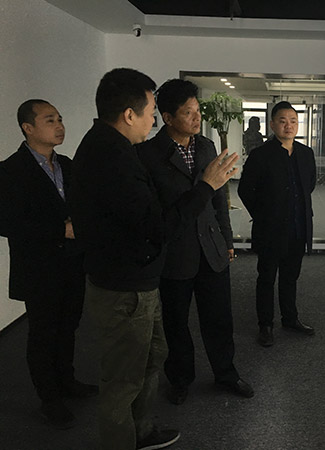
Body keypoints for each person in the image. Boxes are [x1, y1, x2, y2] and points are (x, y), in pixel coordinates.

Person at [70, 68, 238, 450]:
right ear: (132, 114)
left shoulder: (111, 147)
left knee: (151, 355)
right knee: (124, 376)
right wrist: (206, 185)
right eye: (150, 113)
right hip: (129, 282)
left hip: (144, 274)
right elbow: (155, 226)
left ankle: (142, 430)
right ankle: (125, 438)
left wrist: (223, 229)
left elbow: (212, 206)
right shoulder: (120, 157)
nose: (151, 122)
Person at [137, 79, 253, 405]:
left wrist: (227, 239)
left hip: (211, 248)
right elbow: (155, 212)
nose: (196, 117)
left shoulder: (206, 147)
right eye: (187, 112)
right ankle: (180, 379)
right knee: (176, 322)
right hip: (175, 251)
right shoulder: (147, 155)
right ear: (167, 117)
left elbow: (218, 199)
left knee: (219, 318)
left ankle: (226, 373)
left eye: (197, 110)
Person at [0, 99, 97, 430]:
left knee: (69, 325)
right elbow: (7, 222)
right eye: (50, 120)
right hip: (39, 268)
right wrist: (60, 229)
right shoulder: (10, 171)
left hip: (72, 263)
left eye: (60, 119)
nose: (59, 125)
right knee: (43, 333)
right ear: (28, 128)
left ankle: (66, 381)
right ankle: (49, 399)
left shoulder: (67, 165)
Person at [238, 101, 316, 347]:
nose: (288, 126)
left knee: (290, 277)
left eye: (293, 121)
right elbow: (245, 190)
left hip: (298, 227)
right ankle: (266, 325)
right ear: (272, 125)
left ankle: (290, 319)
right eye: (283, 121)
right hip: (270, 229)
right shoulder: (260, 155)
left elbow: (310, 185)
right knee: (267, 278)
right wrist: (263, 214)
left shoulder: (306, 153)